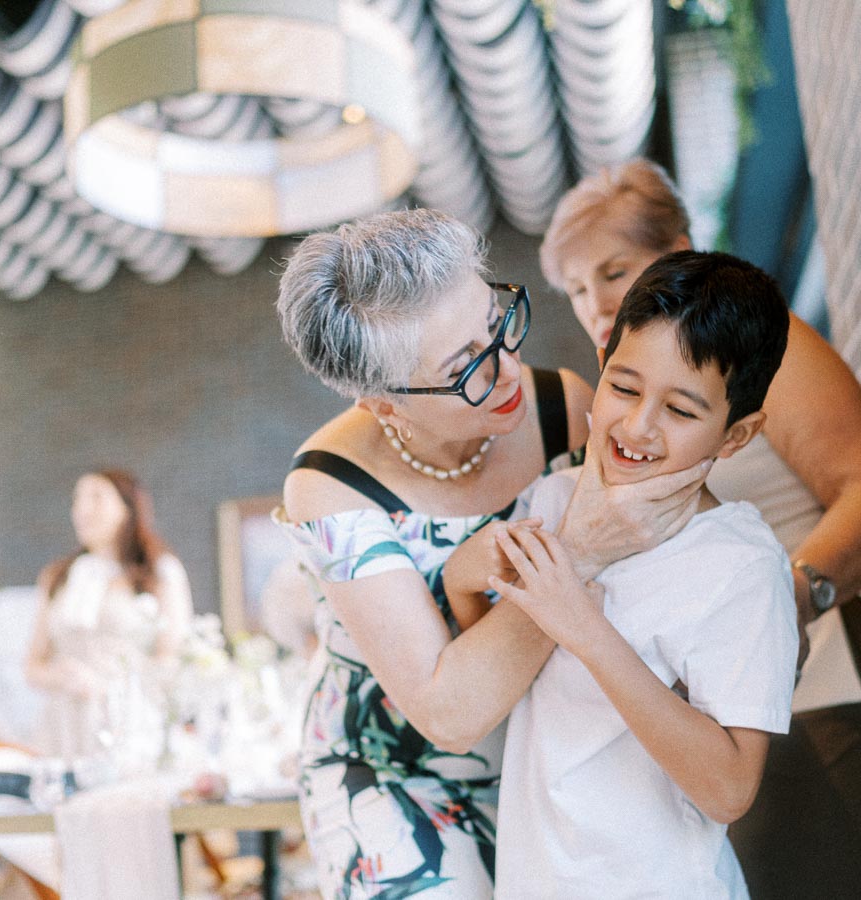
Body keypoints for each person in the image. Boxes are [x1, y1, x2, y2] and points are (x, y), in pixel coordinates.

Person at [274, 208, 713, 898]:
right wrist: (579, 551)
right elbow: (446, 714)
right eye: (465, 367)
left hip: (551, 753)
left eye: (495, 323)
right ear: (384, 405)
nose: (508, 370)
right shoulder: (328, 487)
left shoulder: (562, 406)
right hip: (398, 778)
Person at [539, 159, 861, 898]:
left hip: (832, 674)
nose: (598, 301)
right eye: (576, 287)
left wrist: (784, 606)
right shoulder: (627, 406)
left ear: (681, 251)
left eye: (615, 271)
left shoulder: (768, 352)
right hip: (733, 709)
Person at [484, 250, 797, 897]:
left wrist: (585, 629)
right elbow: (488, 673)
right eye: (624, 388)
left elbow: (730, 789)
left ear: (736, 436)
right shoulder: (553, 500)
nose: (637, 426)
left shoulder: (740, 563)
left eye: (681, 411)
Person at [24, 468, 194, 759]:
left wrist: (111, 688)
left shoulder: (159, 573)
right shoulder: (57, 577)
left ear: (128, 508)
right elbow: (33, 664)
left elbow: (171, 657)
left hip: (130, 723)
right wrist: (62, 677)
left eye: (97, 497)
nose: (83, 509)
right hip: (63, 726)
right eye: (77, 500)